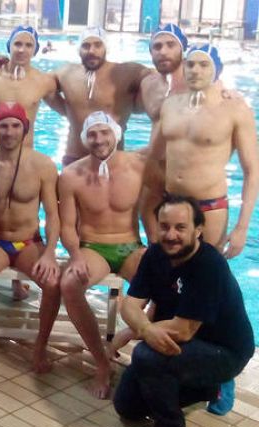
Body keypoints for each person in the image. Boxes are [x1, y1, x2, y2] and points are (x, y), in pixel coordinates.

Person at [114, 196, 254, 427]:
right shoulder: (155, 255)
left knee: (146, 356)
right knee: (127, 407)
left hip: (225, 350)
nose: (171, 235)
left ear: (198, 230)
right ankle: (209, 388)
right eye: (164, 226)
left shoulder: (209, 265)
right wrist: (142, 327)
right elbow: (130, 304)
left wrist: (138, 331)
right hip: (187, 346)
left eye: (180, 227)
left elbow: (183, 331)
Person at [0, 102, 61, 369]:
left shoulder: (43, 165)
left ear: (25, 129)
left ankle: (40, 346)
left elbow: (53, 215)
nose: (9, 132)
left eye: (15, 125)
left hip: (29, 242)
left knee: (53, 285)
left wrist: (51, 253)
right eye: (3, 125)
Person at [58, 111, 146, 399]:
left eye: (104, 132)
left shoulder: (138, 166)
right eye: (92, 134)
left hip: (130, 246)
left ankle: (128, 337)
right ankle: (100, 362)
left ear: (116, 134)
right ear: (85, 139)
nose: (99, 140)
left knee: (170, 286)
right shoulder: (71, 175)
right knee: (69, 284)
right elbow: (67, 226)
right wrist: (75, 255)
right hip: (94, 247)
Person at [145, 44, 258, 258]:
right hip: (171, 205)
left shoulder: (235, 109)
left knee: (206, 280)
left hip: (210, 207)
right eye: (190, 64)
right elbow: (154, 157)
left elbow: (252, 171)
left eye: (204, 65)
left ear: (216, 69)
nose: (195, 70)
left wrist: (242, 227)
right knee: (167, 279)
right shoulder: (170, 105)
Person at [54, 27, 151, 166]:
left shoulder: (127, 72)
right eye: (86, 46)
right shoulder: (65, 73)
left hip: (113, 161)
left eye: (97, 45)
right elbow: (41, 86)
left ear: (106, 47)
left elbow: (157, 80)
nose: (91, 51)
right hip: (74, 159)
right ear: (78, 49)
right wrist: (67, 110)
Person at [0, 26, 63, 149]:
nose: (22, 50)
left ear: (35, 50)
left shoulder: (43, 81)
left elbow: (67, 112)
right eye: (17, 44)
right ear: (9, 46)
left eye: (28, 45)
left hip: (25, 161)